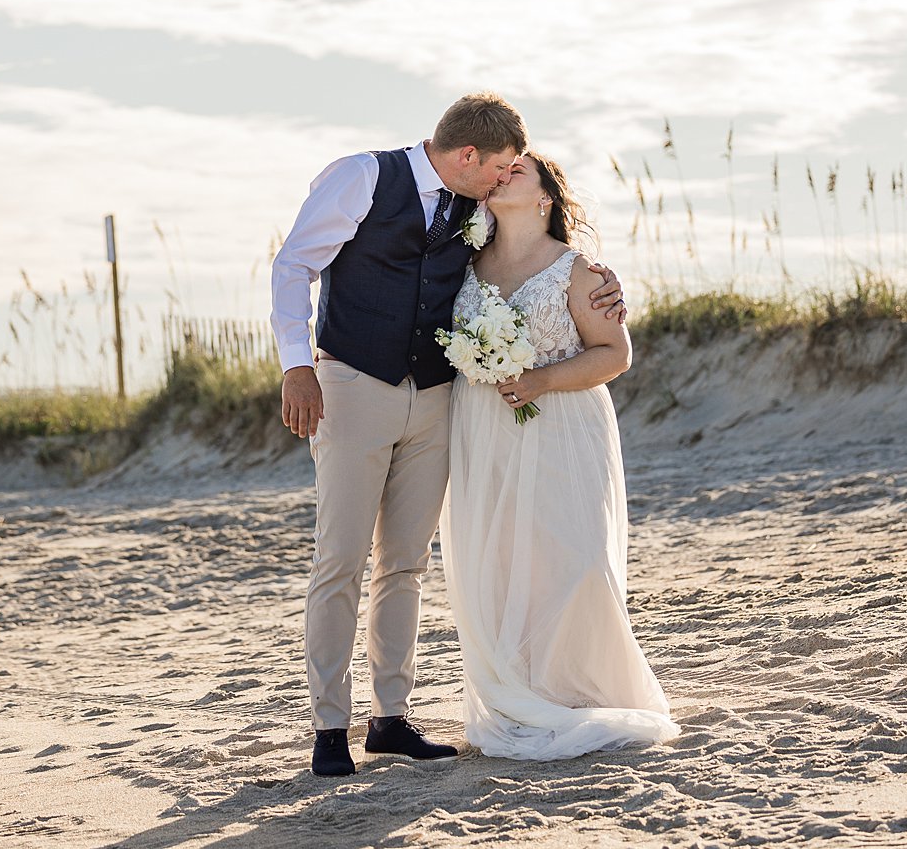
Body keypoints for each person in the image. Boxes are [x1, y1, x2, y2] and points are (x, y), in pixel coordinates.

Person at [271, 94, 627, 778]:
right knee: (339, 558)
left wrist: (604, 283)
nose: (502, 181)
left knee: (405, 561)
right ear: (468, 157)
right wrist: (296, 362)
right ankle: (328, 725)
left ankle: (390, 718)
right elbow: (293, 266)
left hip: (436, 400)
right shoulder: (362, 177)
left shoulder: (477, 210)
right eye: (497, 169)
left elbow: (534, 268)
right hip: (353, 385)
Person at [441, 150, 678, 760]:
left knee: (571, 560)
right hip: (483, 432)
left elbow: (614, 354)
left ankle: (584, 689)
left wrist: (542, 380)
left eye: (516, 170)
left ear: (547, 195)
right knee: (498, 564)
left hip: (562, 429)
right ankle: (522, 690)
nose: (502, 175)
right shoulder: (460, 265)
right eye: (497, 171)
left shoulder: (578, 271)